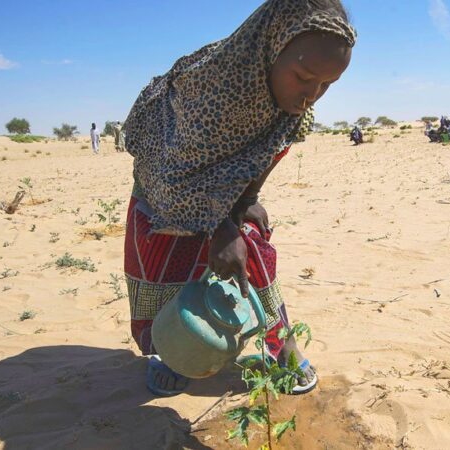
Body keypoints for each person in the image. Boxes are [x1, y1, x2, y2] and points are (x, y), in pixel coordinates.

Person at [122, 0, 356, 396]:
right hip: (166, 177)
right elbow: (175, 170)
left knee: (252, 250)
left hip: (224, 181)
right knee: (168, 258)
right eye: (303, 77)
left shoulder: (294, 103)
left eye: (326, 85)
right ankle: (170, 351)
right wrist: (218, 228)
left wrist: (247, 197)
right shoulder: (210, 89)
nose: (312, 94)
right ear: (272, 48)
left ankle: (283, 345)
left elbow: (273, 148)